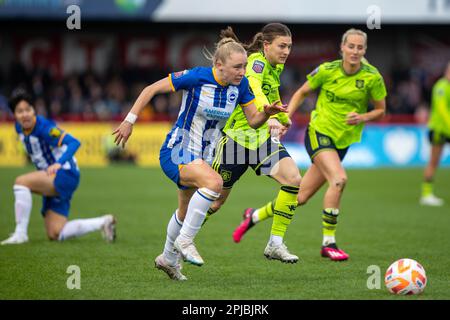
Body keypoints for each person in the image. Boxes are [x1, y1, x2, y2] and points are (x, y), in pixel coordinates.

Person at [112, 37, 287, 281]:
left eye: (244, 65)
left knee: (184, 212)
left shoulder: (242, 86)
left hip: (203, 157)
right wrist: (129, 121)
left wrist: (266, 114)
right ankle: (185, 240)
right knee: (214, 184)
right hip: (178, 150)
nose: (242, 71)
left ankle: (167, 259)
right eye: (237, 67)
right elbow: (150, 89)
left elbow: (253, 120)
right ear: (219, 65)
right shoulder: (196, 77)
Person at [232, 28, 387, 261]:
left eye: (360, 47)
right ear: (342, 48)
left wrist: (362, 117)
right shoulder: (326, 71)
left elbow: (381, 110)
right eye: (351, 46)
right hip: (319, 133)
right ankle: (329, 243)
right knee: (339, 179)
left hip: (343, 141)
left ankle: (254, 215)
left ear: (365, 50)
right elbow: (301, 93)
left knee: (299, 197)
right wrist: (283, 119)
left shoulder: (372, 77)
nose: (355, 51)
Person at [203, 23, 302, 264]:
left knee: (293, 179)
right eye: (282, 46)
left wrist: (281, 117)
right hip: (236, 141)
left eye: (289, 46)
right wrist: (264, 111)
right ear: (266, 45)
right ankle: (179, 236)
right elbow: (256, 87)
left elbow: (272, 92)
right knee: (214, 201)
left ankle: (275, 243)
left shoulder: (275, 66)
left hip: (260, 141)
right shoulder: (256, 61)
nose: (286, 51)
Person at [1, 90, 116, 245]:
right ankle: (103, 221)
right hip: (52, 176)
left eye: (28, 109)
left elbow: (74, 142)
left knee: (21, 182)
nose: (25, 114)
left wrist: (58, 163)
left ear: (34, 110)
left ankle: (20, 234)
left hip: (64, 173)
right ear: (14, 115)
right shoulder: (18, 127)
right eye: (20, 111)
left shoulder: (45, 128)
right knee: (55, 233)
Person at [420, 61, 450, 206]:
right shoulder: (441, 87)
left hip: (447, 129)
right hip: (439, 130)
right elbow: (442, 109)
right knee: (434, 161)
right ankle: (426, 194)